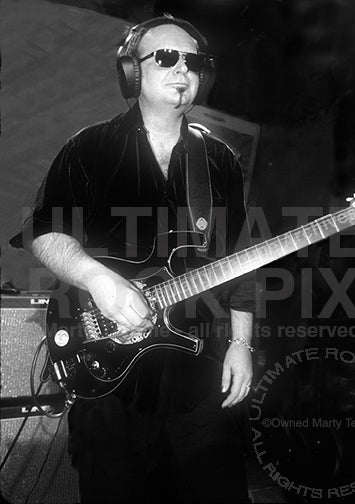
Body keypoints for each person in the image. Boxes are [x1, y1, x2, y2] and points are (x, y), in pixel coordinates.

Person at [11, 14, 256, 503]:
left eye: (194, 61)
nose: (182, 70)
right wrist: (98, 279)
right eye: (165, 57)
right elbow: (43, 232)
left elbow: (237, 261)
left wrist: (242, 344)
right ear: (133, 71)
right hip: (108, 375)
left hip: (196, 368)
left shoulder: (220, 161)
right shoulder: (89, 148)